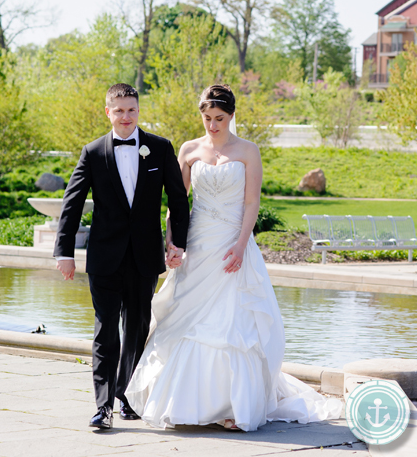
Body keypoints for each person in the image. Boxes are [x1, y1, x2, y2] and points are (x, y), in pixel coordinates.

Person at [125, 84, 342, 431]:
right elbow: (177, 204)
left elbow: (251, 202)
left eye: (219, 119)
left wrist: (242, 245)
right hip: (197, 244)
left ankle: (233, 408)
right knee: (188, 323)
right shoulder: (189, 149)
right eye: (207, 118)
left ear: (231, 116)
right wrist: (173, 243)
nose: (212, 125)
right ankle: (183, 406)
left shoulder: (248, 151)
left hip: (231, 243)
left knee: (231, 325)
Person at [54, 83, 191, 430]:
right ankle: (103, 407)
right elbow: (71, 204)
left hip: (144, 256)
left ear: (138, 110)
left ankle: (125, 394)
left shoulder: (159, 148)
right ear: (108, 112)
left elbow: (178, 199)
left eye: (131, 110)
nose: (125, 117)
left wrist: (179, 244)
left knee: (136, 328)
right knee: (105, 330)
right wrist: (65, 252)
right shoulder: (93, 152)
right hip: (104, 257)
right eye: (119, 111)